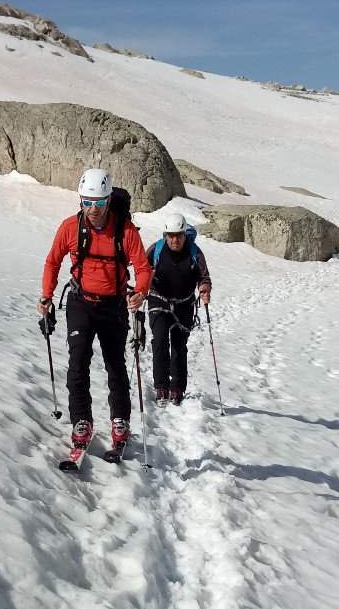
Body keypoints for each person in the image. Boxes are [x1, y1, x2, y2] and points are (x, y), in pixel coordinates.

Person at [38, 168, 152, 456]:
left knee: (115, 364)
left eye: (99, 202)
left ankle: (120, 420)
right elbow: (53, 262)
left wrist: (140, 292)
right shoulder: (70, 227)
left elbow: (142, 267)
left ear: (109, 200)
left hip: (114, 305)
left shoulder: (125, 230)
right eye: (87, 202)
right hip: (81, 303)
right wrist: (46, 296)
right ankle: (81, 421)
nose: (93, 209)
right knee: (78, 362)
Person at [145, 213, 211, 406]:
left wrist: (204, 289)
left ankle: (177, 388)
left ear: (184, 235)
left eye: (179, 235)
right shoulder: (156, 250)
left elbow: (204, 277)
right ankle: (161, 386)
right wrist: (144, 281)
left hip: (184, 304)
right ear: (166, 235)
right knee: (159, 341)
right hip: (159, 301)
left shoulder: (194, 252)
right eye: (171, 235)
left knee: (179, 346)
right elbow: (142, 270)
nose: (175, 239)